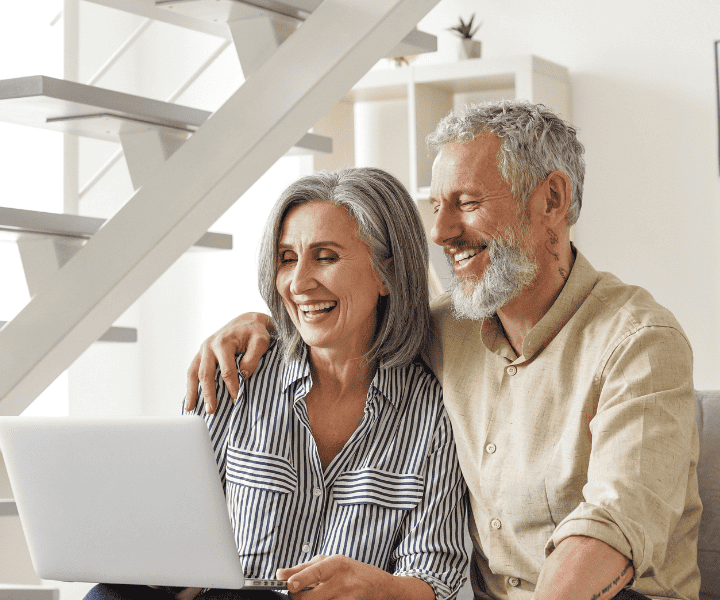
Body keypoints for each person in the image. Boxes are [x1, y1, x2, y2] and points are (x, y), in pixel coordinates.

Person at [186, 101, 702, 600]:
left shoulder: (641, 343)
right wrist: (262, 325)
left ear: (551, 200)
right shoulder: (444, 331)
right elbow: (351, 319)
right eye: (437, 206)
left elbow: (610, 526)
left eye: (468, 203)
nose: (440, 232)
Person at [87, 168, 469, 600]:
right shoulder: (235, 375)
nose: (299, 283)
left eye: (325, 257)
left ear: (386, 273)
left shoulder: (431, 411)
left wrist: (382, 587)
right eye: (287, 258)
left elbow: (436, 575)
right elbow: (172, 539)